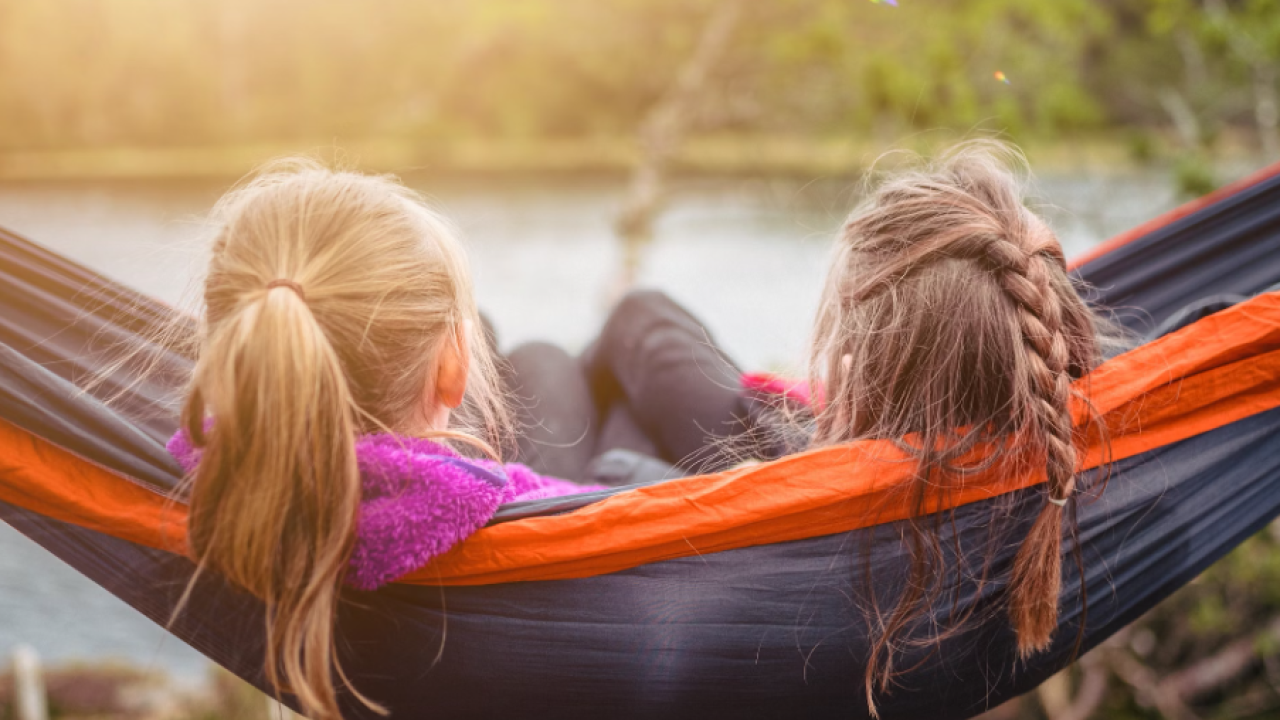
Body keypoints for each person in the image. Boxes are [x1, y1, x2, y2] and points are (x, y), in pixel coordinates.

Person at [507, 141, 1115, 704]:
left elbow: (623, 483)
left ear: (854, 366)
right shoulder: (1089, 455)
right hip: (814, 476)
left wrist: (638, 466)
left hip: (765, 499)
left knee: (550, 361)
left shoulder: (806, 556)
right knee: (631, 333)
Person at [164, 159, 599, 720]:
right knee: (572, 349)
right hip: (573, 508)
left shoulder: (213, 470)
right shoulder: (527, 516)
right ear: (454, 368)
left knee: (515, 342)